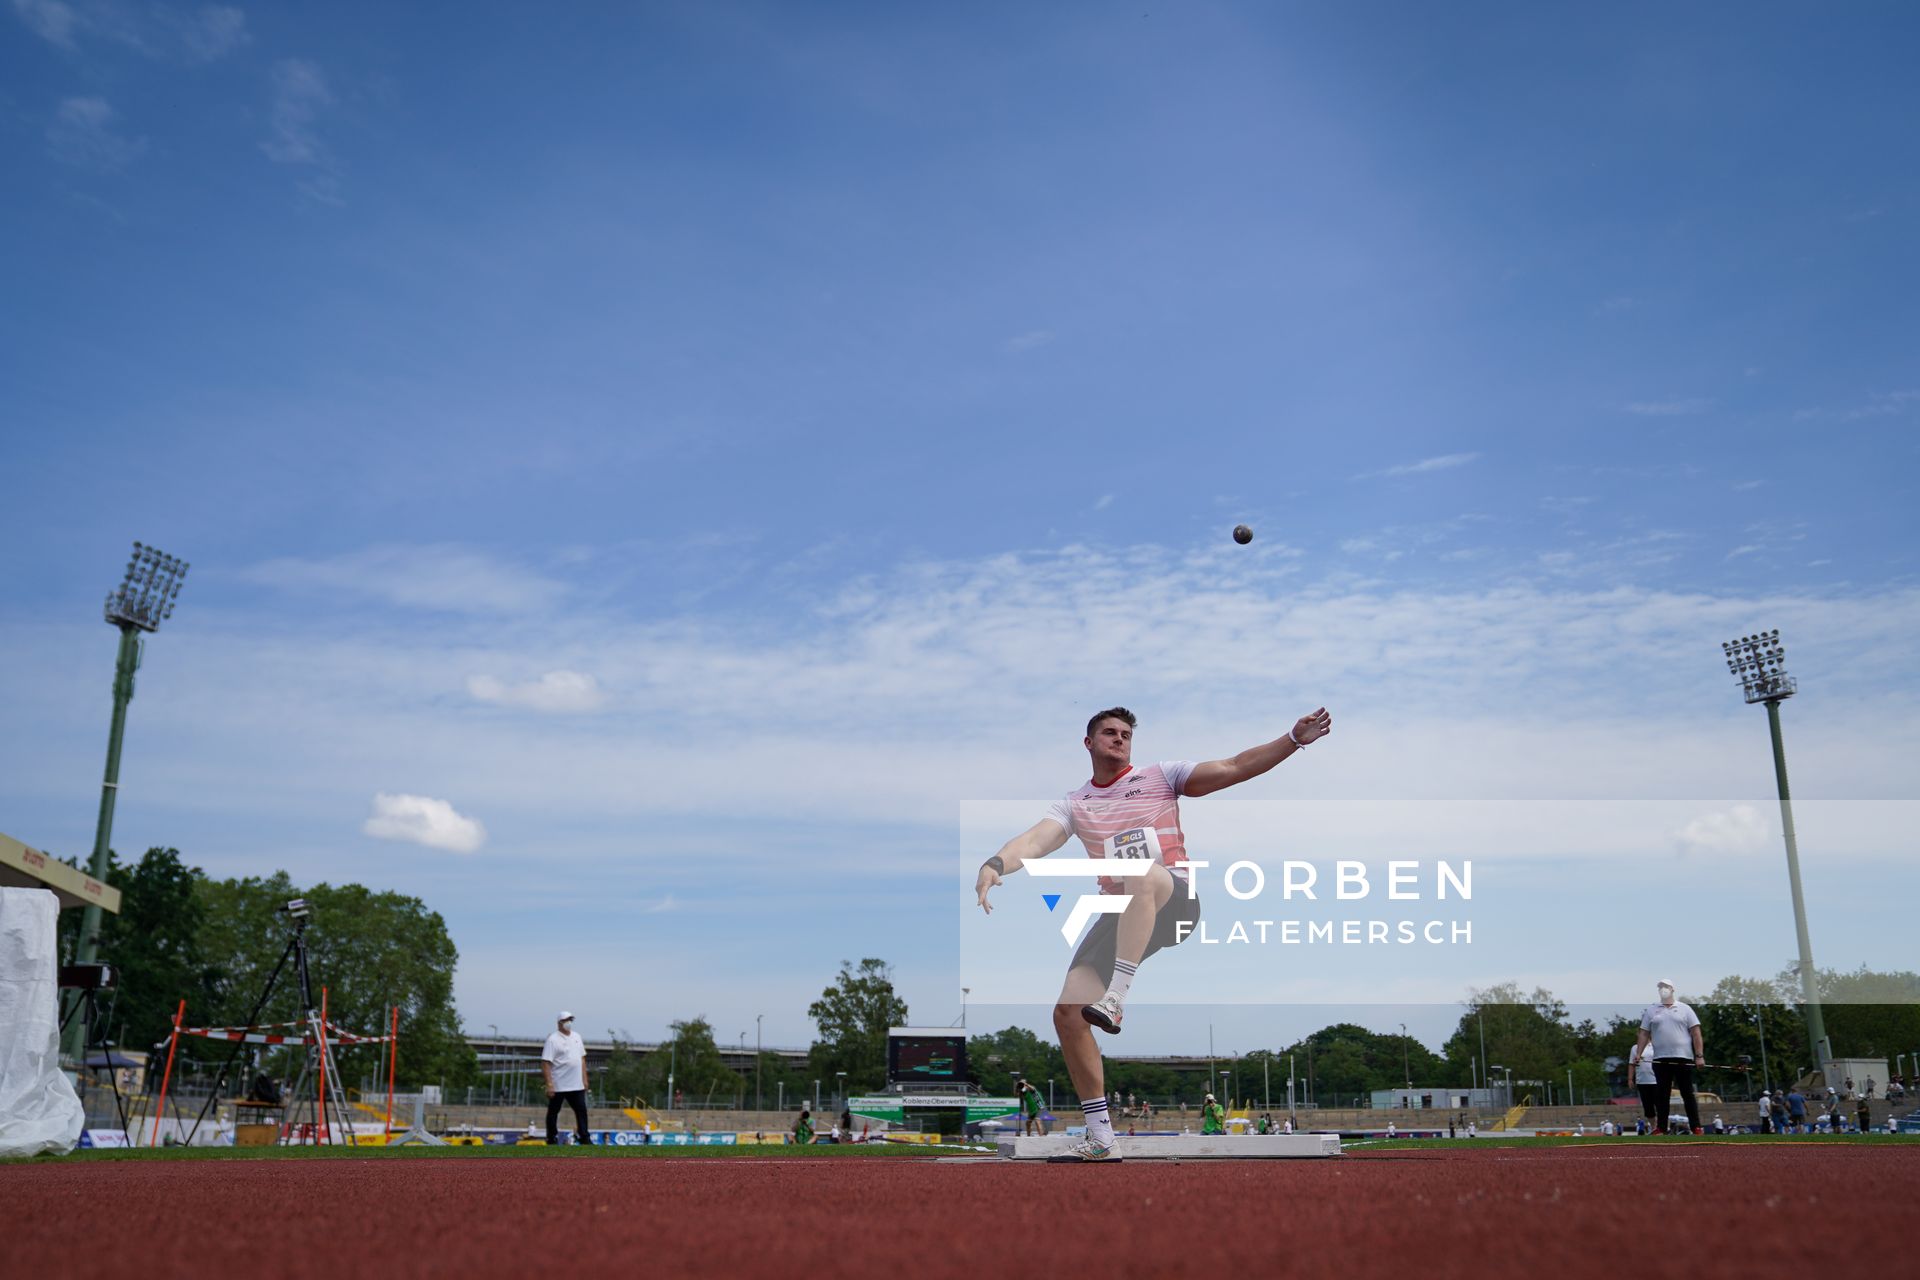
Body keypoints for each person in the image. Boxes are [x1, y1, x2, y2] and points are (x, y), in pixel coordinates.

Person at [975, 704, 1332, 1162]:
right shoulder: (1074, 804)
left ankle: (1116, 998)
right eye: (1109, 732)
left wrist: (1293, 739)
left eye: (1126, 733)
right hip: (1120, 913)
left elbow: (1235, 766)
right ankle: (1102, 1136)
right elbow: (1034, 840)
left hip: (1173, 898)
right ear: (1089, 743)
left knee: (1141, 869)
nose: (1120, 739)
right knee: (1067, 1014)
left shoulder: (1162, 777)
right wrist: (995, 863)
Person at [1631, 978, 1704, 1135]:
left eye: (1666, 986)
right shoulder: (1652, 1010)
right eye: (1660, 987)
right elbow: (1644, 1033)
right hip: (1661, 1058)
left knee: (1687, 1093)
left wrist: (1699, 1055)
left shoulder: (1685, 1008)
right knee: (1661, 1095)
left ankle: (1696, 1126)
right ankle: (1661, 1128)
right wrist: (1638, 1054)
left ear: (1672, 989)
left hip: (1683, 1057)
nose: (1663, 989)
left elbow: (1696, 1032)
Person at [540, 1011, 590, 1146]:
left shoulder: (577, 1037)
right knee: (553, 1112)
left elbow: (582, 1059)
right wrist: (549, 1084)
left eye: (570, 1020)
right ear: (559, 1023)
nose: (569, 1023)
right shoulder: (553, 1039)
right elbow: (545, 1062)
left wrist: (584, 1079)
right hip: (559, 1084)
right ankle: (551, 1138)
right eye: (566, 1020)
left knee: (581, 1110)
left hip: (576, 1084)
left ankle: (585, 1137)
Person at [1632, 1042, 1661, 1133]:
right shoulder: (1635, 1048)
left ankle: (1663, 1127)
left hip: (1656, 1081)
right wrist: (1630, 1079)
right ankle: (1653, 1128)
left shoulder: (1657, 1045)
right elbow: (1631, 1064)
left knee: (1660, 1105)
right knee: (1648, 1107)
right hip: (1642, 1082)